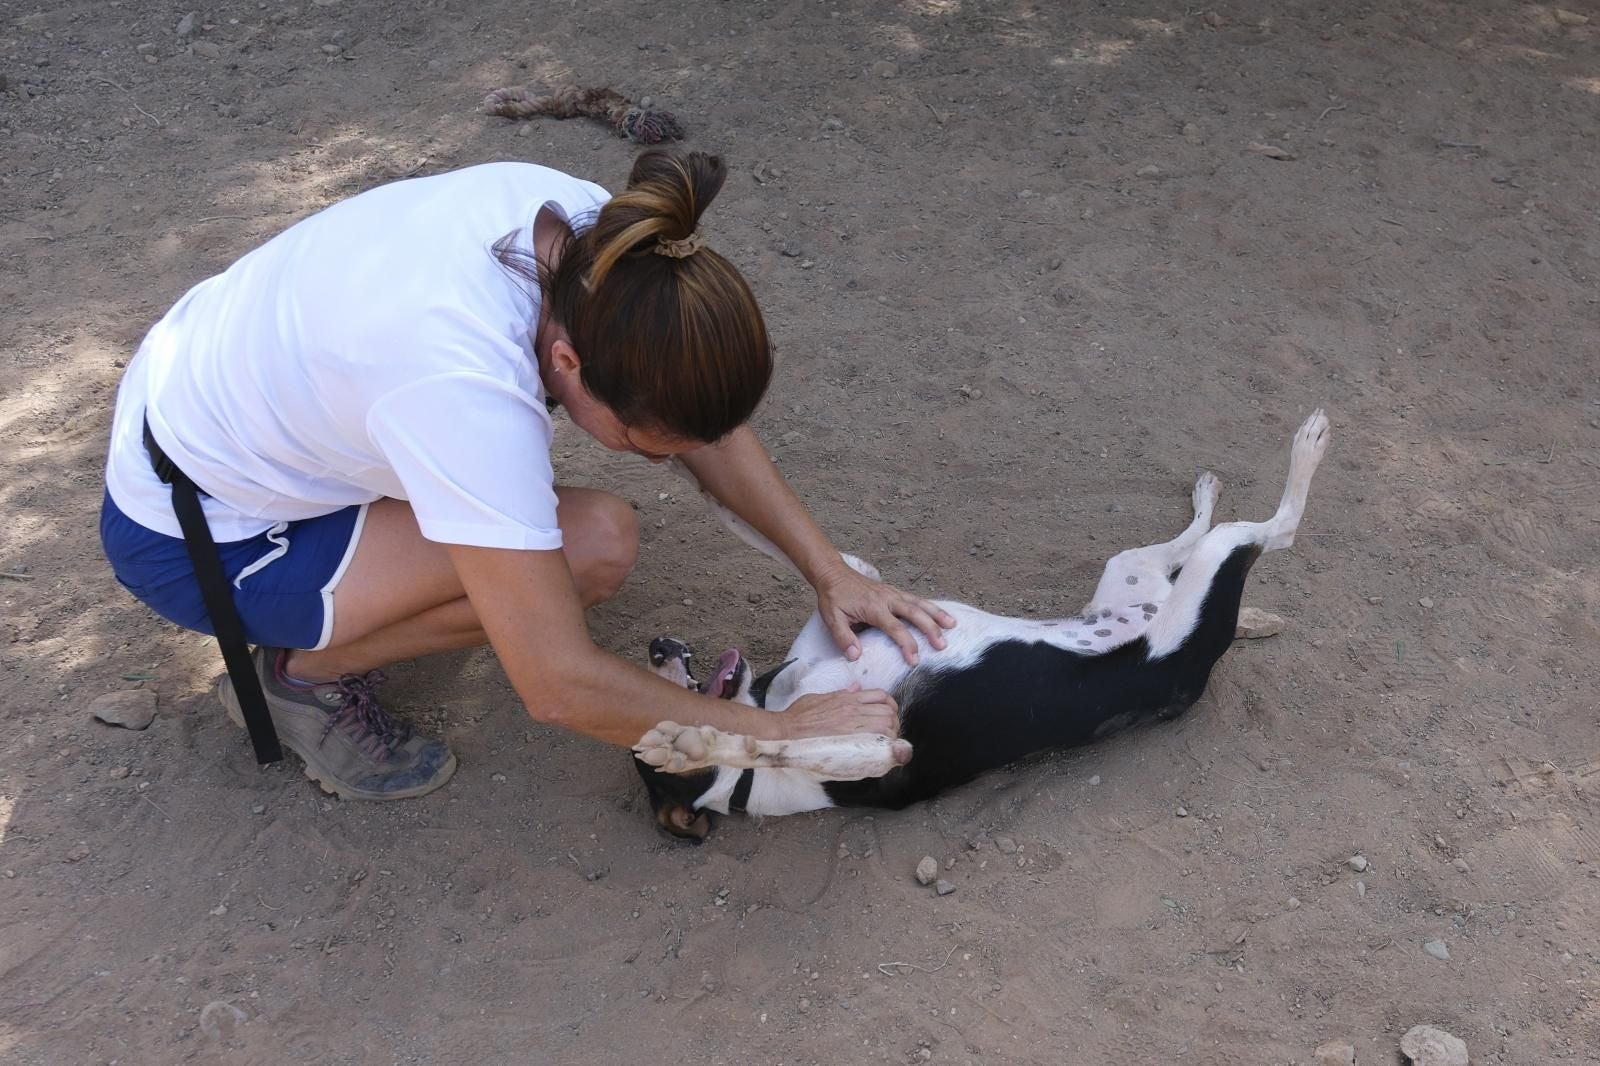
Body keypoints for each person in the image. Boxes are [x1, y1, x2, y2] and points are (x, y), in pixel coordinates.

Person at [100, 149, 956, 801]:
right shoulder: (458, 384)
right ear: (568, 362)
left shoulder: (607, 244)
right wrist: (777, 734)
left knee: (576, 537)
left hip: (228, 407)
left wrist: (828, 569)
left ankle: (337, 610)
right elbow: (555, 683)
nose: (664, 462)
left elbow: (701, 422)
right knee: (587, 551)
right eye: (645, 444)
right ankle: (297, 677)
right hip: (198, 535)